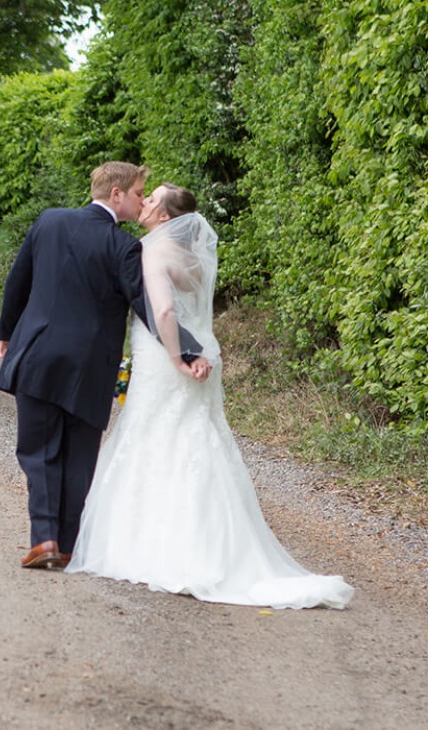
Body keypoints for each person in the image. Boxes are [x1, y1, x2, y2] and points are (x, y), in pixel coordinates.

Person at [66, 183, 354, 609]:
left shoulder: (151, 250)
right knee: (196, 438)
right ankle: (216, 544)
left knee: (154, 438)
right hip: (202, 350)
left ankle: (157, 547)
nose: (142, 203)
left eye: (150, 200)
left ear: (165, 216)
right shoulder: (191, 258)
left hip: (167, 355)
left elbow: (163, 312)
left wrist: (178, 358)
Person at [0, 164, 212, 570]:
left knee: (38, 451)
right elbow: (147, 306)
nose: (141, 199)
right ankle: (70, 545)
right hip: (89, 369)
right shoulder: (123, 247)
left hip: (37, 353)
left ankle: (44, 539)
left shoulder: (49, 221)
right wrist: (189, 351)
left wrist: (7, 332)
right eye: (138, 193)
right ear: (116, 194)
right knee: (79, 457)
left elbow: (18, 279)